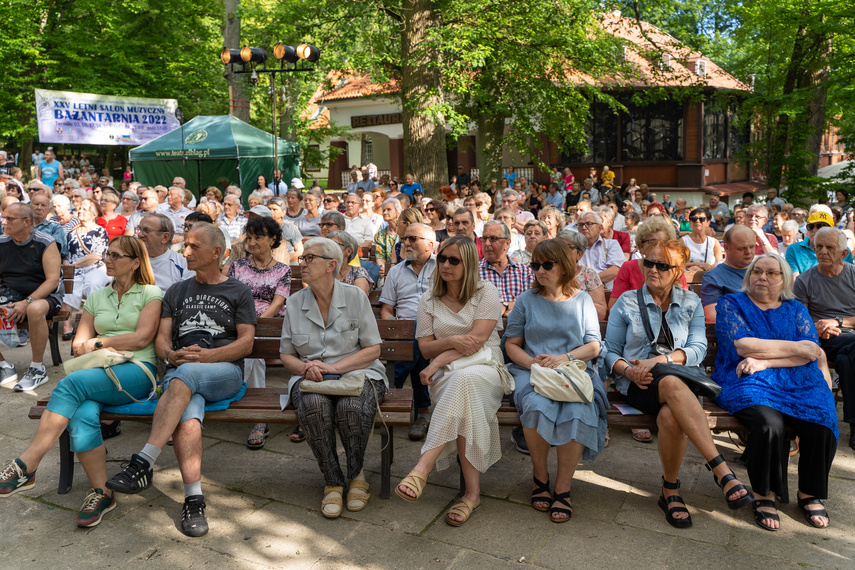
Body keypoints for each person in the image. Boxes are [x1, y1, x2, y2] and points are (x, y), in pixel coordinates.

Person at [106, 223, 256, 537]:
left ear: (216, 252)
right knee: (188, 417)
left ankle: (143, 462)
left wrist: (204, 357)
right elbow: (162, 341)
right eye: (184, 245)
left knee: (186, 375)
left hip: (224, 372)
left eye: (192, 247)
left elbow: (246, 344)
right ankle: (194, 499)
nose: (185, 252)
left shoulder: (238, 290)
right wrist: (170, 356)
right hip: (182, 375)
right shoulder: (177, 290)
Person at [0, 237, 162, 527]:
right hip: (100, 373)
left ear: (135, 262)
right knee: (84, 411)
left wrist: (100, 341)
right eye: (107, 254)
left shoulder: (150, 293)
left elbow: (142, 338)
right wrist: (95, 345)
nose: (107, 259)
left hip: (139, 372)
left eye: (115, 255)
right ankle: (103, 492)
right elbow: (77, 345)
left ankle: (28, 464)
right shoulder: (98, 297)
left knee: (70, 385)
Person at [604, 239, 754, 528]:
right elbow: (609, 350)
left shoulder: (690, 301)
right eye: (648, 262)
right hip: (638, 384)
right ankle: (721, 470)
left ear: (678, 270)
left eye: (662, 265)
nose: (653, 269)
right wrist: (628, 370)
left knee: (671, 413)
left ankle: (670, 490)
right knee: (670, 385)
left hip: (680, 384)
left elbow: (698, 348)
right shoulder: (626, 302)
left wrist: (661, 361)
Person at [714, 253, 837, 530]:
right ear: (749, 276)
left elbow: (812, 354)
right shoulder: (732, 304)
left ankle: (809, 493)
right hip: (747, 377)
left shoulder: (796, 309)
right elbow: (744, 346)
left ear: (784, 279)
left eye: (771, 273)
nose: (763, 277)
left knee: (822, 421)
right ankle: (764, 494)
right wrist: (795, 347)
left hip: (794, 378)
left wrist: (766, 360)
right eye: (757, 271)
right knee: (769, 424)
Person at [395, 236, 508, 527]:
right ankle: (472, 494)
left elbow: (479, 342)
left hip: (486, 367)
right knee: (462, 389)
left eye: (454, 260)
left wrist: (439, 358)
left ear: (468, 263)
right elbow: (425, 347)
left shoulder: (486, 292)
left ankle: (423, 467)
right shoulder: (428, 300)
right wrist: (451, 342)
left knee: (466, 381)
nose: (445, 265)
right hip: (446, 377)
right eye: (442, 259)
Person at [278, 238, 387, 518]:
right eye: (302, 258)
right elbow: (287, 355)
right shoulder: (294, 302)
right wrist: (305, 369)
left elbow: (373, 349)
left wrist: (334, 368)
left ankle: (357, 474)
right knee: (314, 406)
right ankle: (333, 481)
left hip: (358, 373)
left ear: (331, 265)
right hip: (311, 377)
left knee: (351, 408)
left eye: (309, 258)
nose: (302, 263)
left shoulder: (355, 297)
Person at [503, 239, 606, 522]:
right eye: (535, 265)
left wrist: (565, 357)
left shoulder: (583, 299)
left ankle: (563, 487)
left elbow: (594, 346)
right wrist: (532, 362)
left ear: (564, 266)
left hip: (572, 369)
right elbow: (512, 344)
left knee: (578, 410)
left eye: (547, 265)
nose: (539, 271)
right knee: (535, 406)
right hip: (533, 371)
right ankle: (540, 477)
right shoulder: (526, 300)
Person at [226, 215, 291, 449]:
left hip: (267, 324)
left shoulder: (283, 270)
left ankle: (258, 418)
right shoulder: (237, 266)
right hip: (235, 321)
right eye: (249, 237)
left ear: (273, 239)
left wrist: (254, 324)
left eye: (258, 237)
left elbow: (277, 303)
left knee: (252, 351)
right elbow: (228, 296)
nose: (252, 242)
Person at [793, 227, 855, 450]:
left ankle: (852, 422)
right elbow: (798, 319)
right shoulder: (805, 280)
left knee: (848, 360)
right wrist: (817, 328)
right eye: (818, 246)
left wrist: (837, 321)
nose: (823, 251)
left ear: (844, 254)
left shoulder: (853, 276)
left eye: (830, 247)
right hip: (820, 340)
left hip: (847, 337)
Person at [379, 223, 436, 441]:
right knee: (414, 344)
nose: (407, 243)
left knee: (416, 343)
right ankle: (423, 413)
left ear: (430, 244)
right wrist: (395, 328)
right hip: (404, 330)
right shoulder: (396, 271)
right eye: (405, 238)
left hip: (435, 329)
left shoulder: (443, 267)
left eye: (413, 239)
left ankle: (390, 392)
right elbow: (386, 310)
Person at [0, 203, 63, 391]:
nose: (4, 222)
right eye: (3, 217)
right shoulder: (2, 242)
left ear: (27, 221)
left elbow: (52, 281)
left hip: (45, 296)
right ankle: (3, 365)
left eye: (10, 218)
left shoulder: (46, 242)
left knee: (35, 308)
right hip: (9, 294)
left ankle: (37, 369)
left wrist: (27, 302)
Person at [60, 199, 112, 340]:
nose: (80, 211)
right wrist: (67, 265)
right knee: (66, 284)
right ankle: (67, 326)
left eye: (85, 209)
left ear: (94, 213)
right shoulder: (71, 232)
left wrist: (74, 265)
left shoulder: (100, 231)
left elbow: (96, 256)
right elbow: (66, 255)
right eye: (79, 209)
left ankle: (93, 323)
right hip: (75, 269)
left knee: (93, 284)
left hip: (95, 267)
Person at [699, 225, 756, 322]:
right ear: (727, 248)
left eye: (752, 246)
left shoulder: (764, 271)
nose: (749, 252)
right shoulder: (714, 277)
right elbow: (712, 316)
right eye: (742, 248)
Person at [479, 221, 533, 317]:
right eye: (484, 238)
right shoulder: (473, 272)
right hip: (484, 328)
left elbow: (532, 304)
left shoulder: (525, 273)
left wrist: (505, 306)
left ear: (507, 243)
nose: (487, 243)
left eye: (493, 239)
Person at [556, 230, 607, 320]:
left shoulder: (589, 275)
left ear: (579, 254)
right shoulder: (545, 271)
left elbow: (600, 312)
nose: (562, 251)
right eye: (558, 247)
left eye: (568, 247)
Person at [136, 213, 195, 292]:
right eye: (139, 229)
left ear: (165, 237)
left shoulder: (184, 264)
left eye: (146, 230)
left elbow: (182, 297)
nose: (140, 235)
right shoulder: (130, 260)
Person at [786, 210, 854, 277]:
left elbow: (849, 279)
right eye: (811, 226)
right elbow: (795, 281)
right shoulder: (793, 249)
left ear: (832, 229)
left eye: (821, 226)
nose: (815, 230)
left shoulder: (843, 250)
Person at [577, 211, 623, 291]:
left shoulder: (611, 244)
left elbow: (615, 270)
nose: (584, 228)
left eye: (589, 224)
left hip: (606, 292)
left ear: (600, 227)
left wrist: (588, 281)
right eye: (580, 225)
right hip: (580, 294)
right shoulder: (573, 248)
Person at [681, 208, 722, 272]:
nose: (697, 221)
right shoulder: (682, 241)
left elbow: (719, 264)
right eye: (694, 219)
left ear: (708, 223)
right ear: (690, 223)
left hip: (709, 278)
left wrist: (703, 269)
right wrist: (698, 264)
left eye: (701, 219)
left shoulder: (714, 243)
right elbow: (678, 264)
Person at [31, 192, 68, 261]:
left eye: (43, 205)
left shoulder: (55, 228)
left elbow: (56, 251)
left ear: (49, 210)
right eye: (36, 204)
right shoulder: (22, 226)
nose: (39, 208)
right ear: (30, 207)